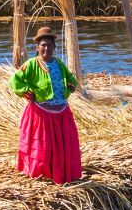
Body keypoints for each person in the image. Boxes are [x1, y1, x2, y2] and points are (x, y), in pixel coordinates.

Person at [10, 27, 83, 184]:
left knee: (62, 145)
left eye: (50, 45)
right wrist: (28, 92)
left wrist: (70, 86)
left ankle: (60, 172)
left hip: (61, 110)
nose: (46, 48)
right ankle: (42, 173)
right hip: (41, 113)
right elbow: (15, 81)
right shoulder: (31, 64)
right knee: (43, 145)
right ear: (37, 48)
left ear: (54, 47)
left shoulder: (58, 63)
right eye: (43, 45)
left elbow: (71, 78)